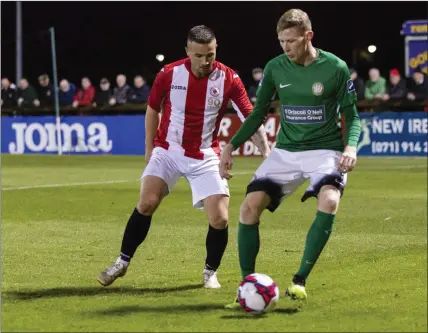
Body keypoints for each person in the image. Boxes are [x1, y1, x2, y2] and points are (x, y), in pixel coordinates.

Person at [97, 25, 270, 289]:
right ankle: (122, 262)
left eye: (210, 55)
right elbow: (153, 109)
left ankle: (210, 272)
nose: (205, 61)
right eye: (199, 55)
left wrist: (266, 151)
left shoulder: (229, 79)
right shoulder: (169, 73)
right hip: (168, 150)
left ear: (216, 50)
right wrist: (149, 148)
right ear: (188, 51)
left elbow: (251, 116)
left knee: (220, 218)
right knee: (146, 202)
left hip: (205, 153)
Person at [220, 9, 361, 307]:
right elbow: (259, 112)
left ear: (308, 36)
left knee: (330, 200)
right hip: (285, 152)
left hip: (325, 150)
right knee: (248, 209)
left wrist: (350, 147)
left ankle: (299, 281)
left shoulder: (335, 67)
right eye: (281, 40)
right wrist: (231, 145)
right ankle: (247, 287)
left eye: (291, 41)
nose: (285, 47)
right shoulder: (275, 68)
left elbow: (352, 115)